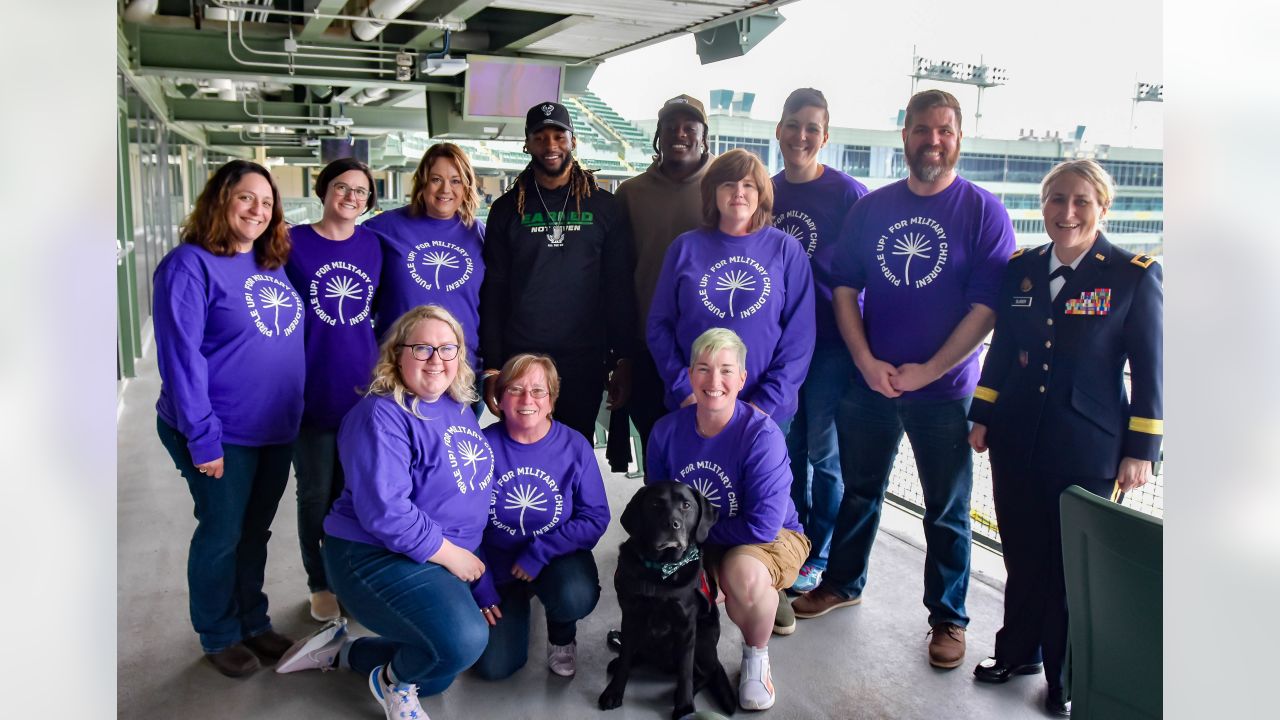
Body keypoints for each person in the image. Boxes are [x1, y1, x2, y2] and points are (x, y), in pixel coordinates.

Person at [791, 89, 1015, 673]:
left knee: (946, 509)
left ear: (958, 138)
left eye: (943, 130)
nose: (932, 140)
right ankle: (843, 582)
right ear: (905, 136)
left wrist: (932, 369)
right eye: (921, 130)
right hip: (873, 383)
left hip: (944, 393)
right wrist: (866, 361)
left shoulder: (984, 211)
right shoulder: (873, 208)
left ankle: (948, 618)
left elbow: (987, 307)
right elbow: (844, 287)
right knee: (861, 491)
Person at [967, 159, 1163, 716]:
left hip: (1089, 447)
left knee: (1072, 569)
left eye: (1081, 201)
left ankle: (1066, 675)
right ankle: (1017, 652)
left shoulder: (1133, 274)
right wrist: (983, 414)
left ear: (1103, 208)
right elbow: (1003, 351)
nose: (1067, 212)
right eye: (1057, 200)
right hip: (1017, 438)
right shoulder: (1022, 268)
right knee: (1023, 553)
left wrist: (1141, 449)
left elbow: (1151, 371)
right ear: (1045, 205)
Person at [275, 305, 494, 720]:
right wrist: (454, 556)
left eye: (448, 349)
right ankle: (391, 683)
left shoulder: (457, 405)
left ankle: (345, 653)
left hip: (432, 554)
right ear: (397, 354)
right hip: (372, 556)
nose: (437, 359)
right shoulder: (382, 414)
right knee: (461, 641)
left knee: (440, 670)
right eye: (423, 348)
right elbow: (386, 513)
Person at [152, 159, 304, 677]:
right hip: (220, 431)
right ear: (221, 200)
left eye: (267, 203)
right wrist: (202, 438)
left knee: (255, 531)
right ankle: (218, 633)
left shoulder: (269, 262)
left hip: (273, 428)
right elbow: (181, 359)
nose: (258, 210)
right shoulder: (187, 266)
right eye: (247, 198)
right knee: (221, 532)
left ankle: (253, 623)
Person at [646, 328, 810, 711]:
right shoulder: (666, 431)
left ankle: (756, 657)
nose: (714, 381)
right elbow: (659, 506)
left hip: (769, 537)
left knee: (743, 579)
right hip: (703, 537)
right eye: (703, 369)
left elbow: (763, 526)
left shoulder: (761, 436)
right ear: (689, 376)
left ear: (741, 378)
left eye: (725, 370)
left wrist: (698, 548)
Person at [479, 101, 636, 442]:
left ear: (573, 140)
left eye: (558, 135)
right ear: (527, 143)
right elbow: (494, 290)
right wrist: (493, 363)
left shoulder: (604, 206)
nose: (550, 146)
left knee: (574, 446)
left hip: (583, 357)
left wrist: (622, 357)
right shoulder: (506, 210)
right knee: (522, 446)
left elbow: (618, 287)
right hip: (522, 356)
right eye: (540, 137)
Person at [769, 88, 869, 593]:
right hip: (779, 347)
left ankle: (820, 553)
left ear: (825, 137)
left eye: (812, 128)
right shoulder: (766, 191)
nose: (801, 136)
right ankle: (793, 540)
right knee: (785, 448)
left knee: (823, 455)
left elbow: (863, 273)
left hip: (831, 344)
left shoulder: (848, 194)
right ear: (779, 130)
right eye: (793, 125)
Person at [647, 148, 815, 431]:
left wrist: (764, 404)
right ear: (713, 191)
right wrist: (685, 391)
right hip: (695, 406)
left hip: (765, 414)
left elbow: (800, 337)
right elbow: (659, 326)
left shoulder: (786, 250)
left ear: (761, 193)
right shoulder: (685, 248)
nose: (739, 192)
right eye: (728, 184)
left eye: (748, 185)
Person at [284, 157, 382, 623]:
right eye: (342, 187)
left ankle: (349, 579)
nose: (351, 197)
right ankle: (319, 582)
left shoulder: (374, 246)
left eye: (361, 191)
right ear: (324, 191)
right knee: (316, 493)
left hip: (361, 392)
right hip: (307, 388)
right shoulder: (291, 243)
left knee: (356, 495)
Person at [471, 354, 610, 680]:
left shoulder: (575, 446)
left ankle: (561, 634)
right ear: (499, 399)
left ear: (551, 401)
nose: (527, 399)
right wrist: (481, 582)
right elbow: (460, 524)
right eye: (515, 390)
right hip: (498, 563)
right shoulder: (480, 447)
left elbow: (595, 516)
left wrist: (540, 551)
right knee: (494, 667)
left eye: (538, 391)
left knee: (574, 596)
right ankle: (519, 599)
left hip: (554, 558)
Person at [614, 93, 715, 459]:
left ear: (704, 136)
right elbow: (619, 277)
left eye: (690, 127)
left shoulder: (723, 191)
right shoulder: (631, 194)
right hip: (648, 349)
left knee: (709, 454)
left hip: (708, 352)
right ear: (658, 135)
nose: (680, 133)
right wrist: (622, 355)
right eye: (670, 126)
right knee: (658, 449)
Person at [365, 142, 486, 403]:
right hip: (398, 372)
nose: (445, 189)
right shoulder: (382, 229)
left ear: (466, 186)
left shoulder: (481, 236)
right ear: (422, 183)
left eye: (455, 181)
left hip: (460, 374)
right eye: (436, 179)